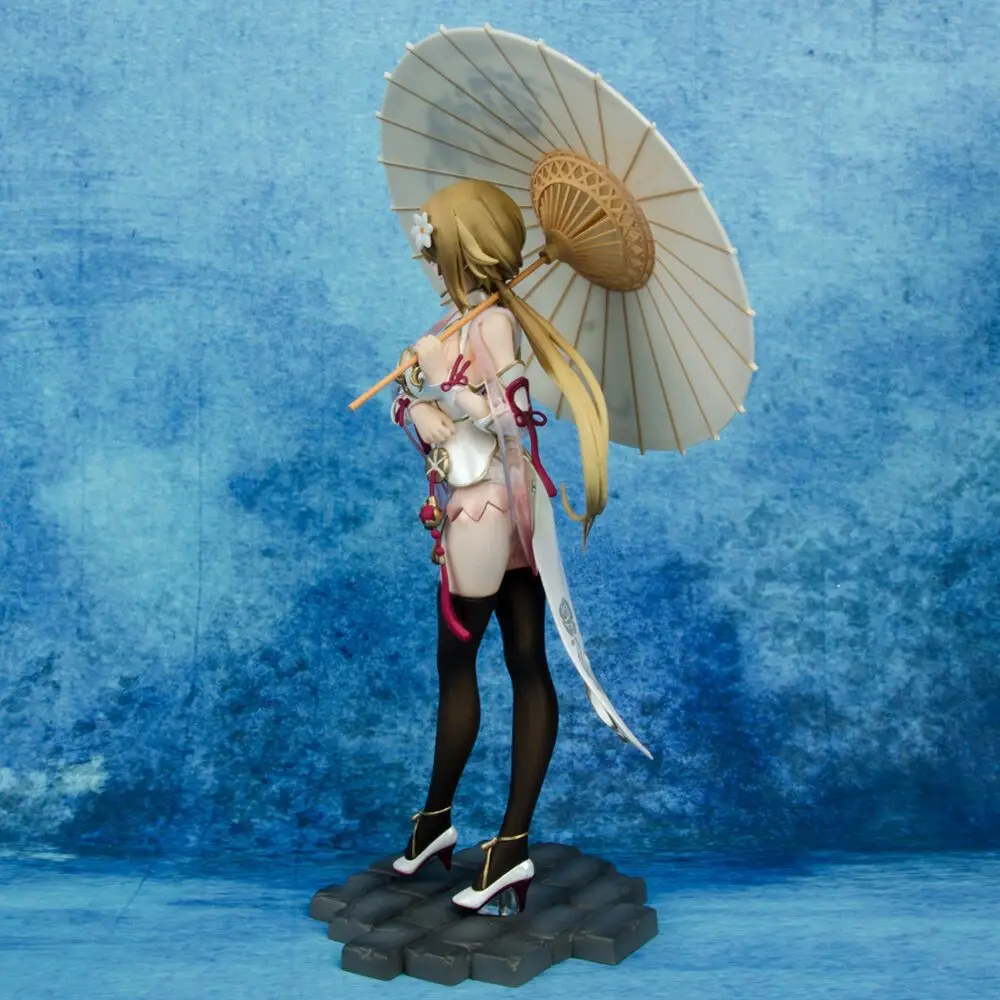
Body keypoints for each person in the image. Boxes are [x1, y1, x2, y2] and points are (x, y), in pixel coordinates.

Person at [387, 179, 648, 914]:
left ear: (460, 252)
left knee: (468, 659)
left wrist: (446, 393)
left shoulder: (494, 325)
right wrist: (413, 405)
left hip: (486, 507)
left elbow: (517, 418)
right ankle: (461, 832)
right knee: (521, 655)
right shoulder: (453, 321)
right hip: (484, 502)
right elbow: (413, 404)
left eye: (433, 248)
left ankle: (487, 836)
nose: (426, 260)